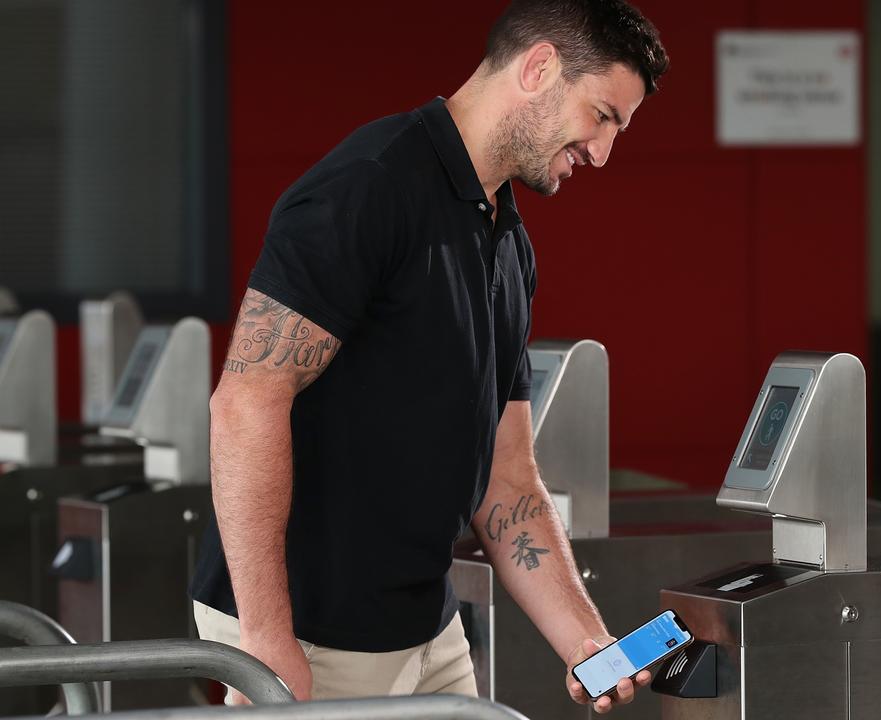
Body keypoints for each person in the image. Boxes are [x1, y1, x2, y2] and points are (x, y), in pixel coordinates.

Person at [188, 1, 669, 713]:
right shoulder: (369, 187)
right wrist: (265, 637)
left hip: (425, 629)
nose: (601, 151)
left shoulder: (506, 242)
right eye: (603, 115)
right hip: (308, 636)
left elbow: (507, 481)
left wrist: (586, 644)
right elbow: (246, 401)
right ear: (538, 68)